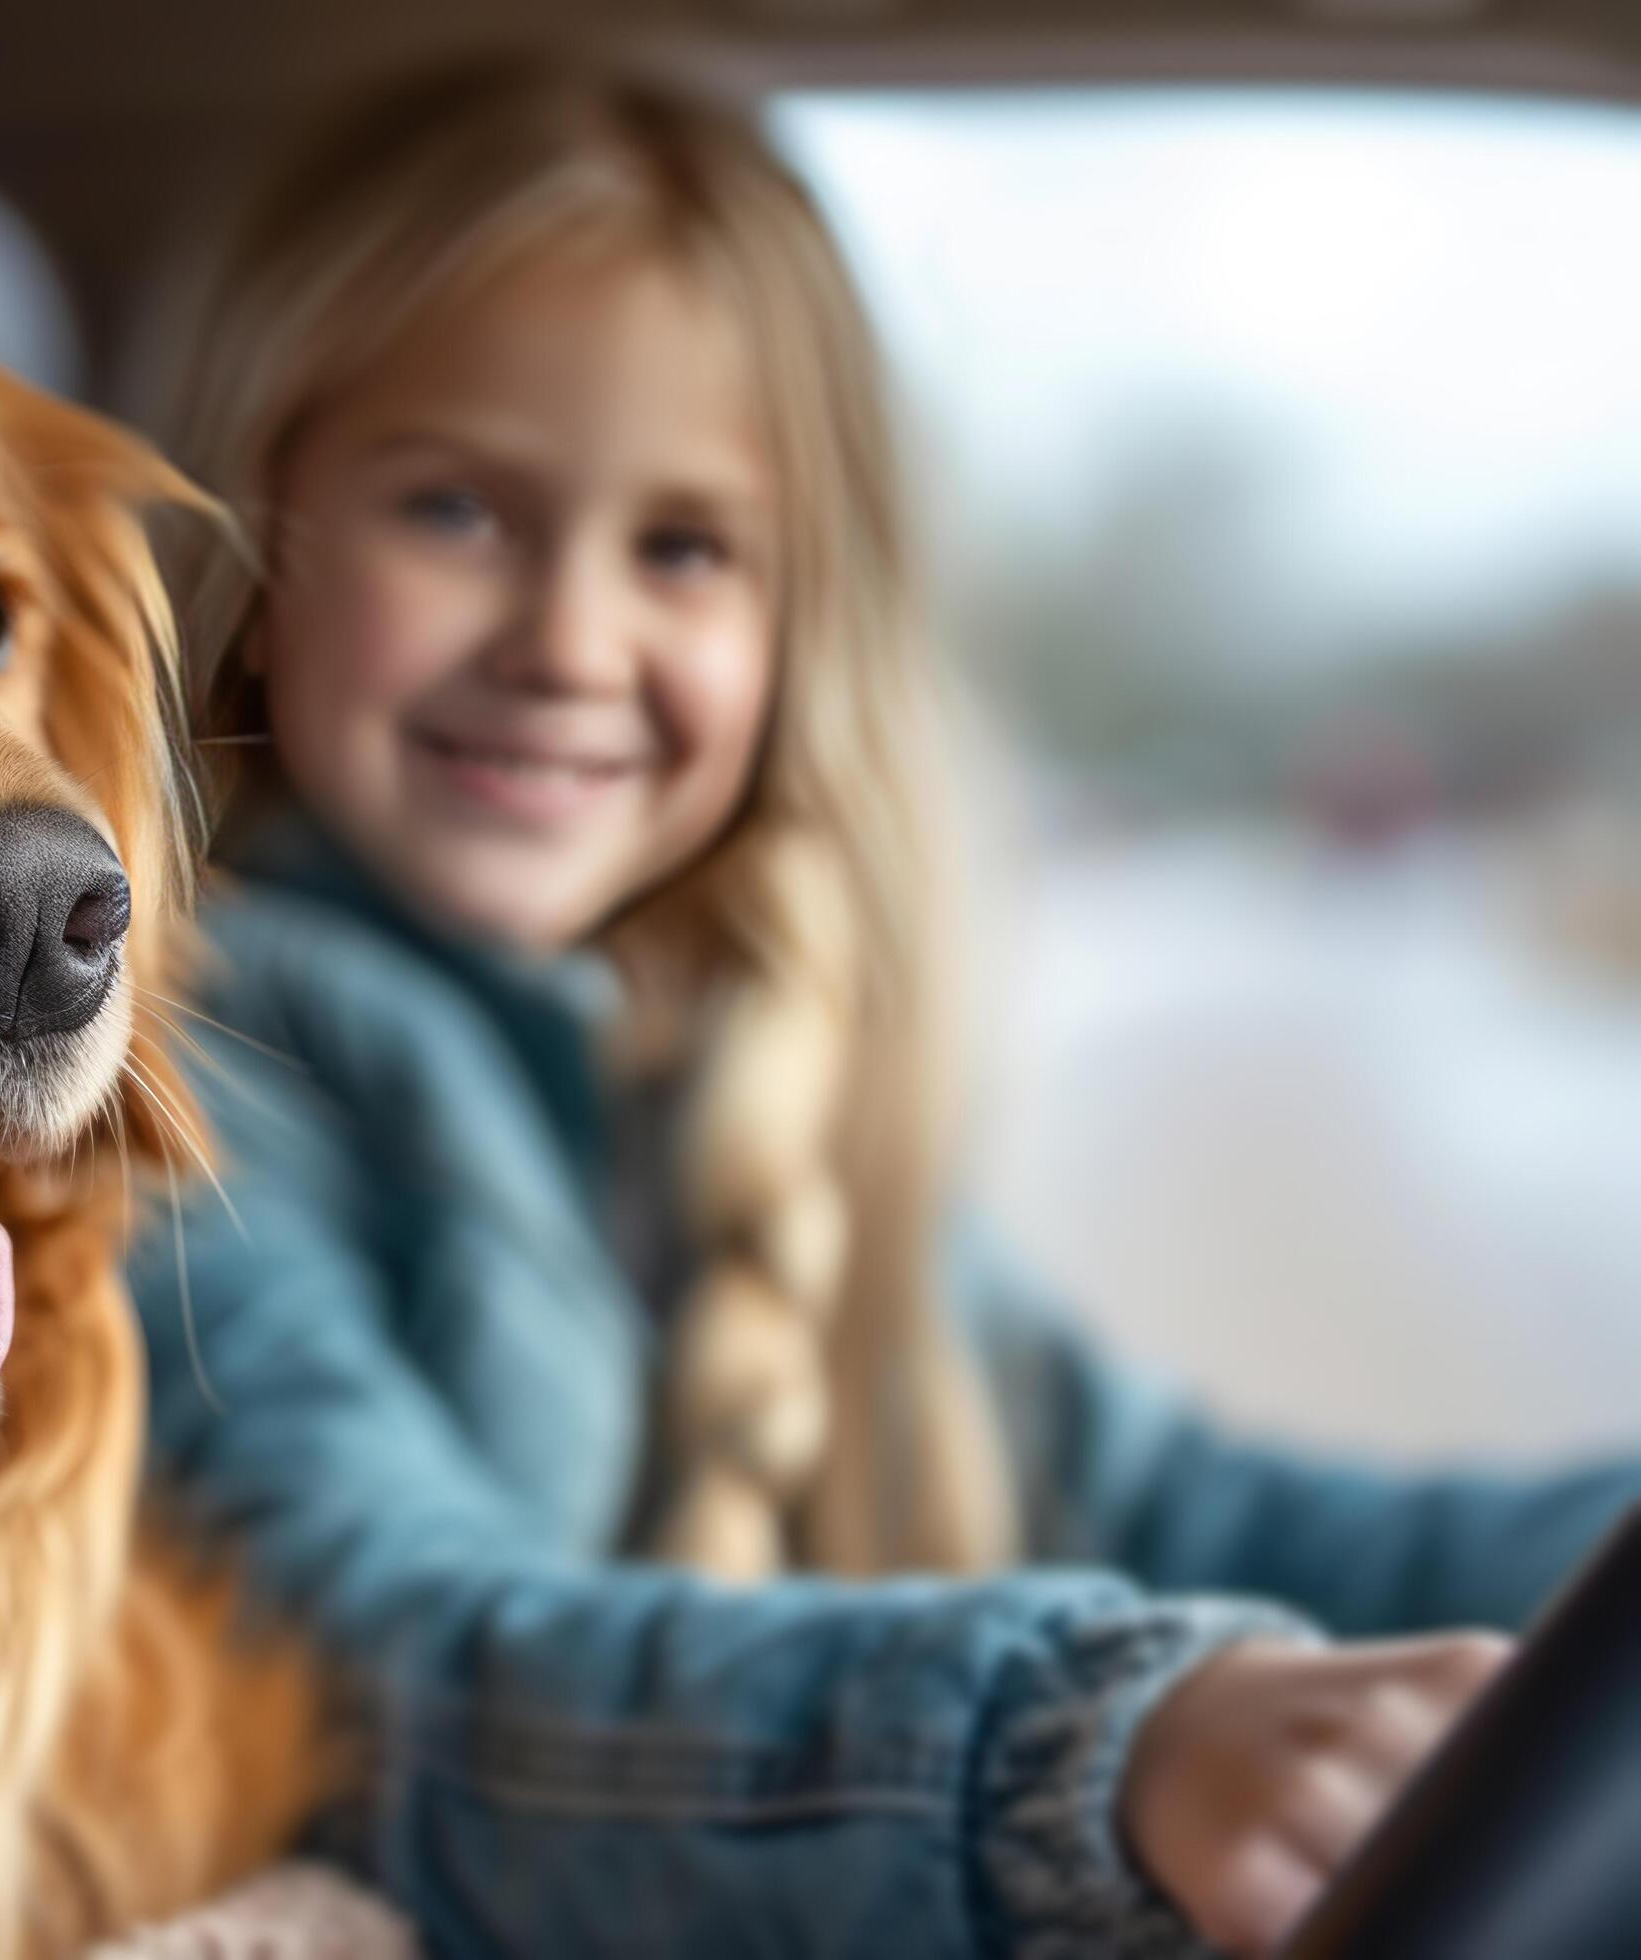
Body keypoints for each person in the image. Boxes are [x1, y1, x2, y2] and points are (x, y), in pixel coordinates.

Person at [123, 56, 1640, 1958]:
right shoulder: (193, 1065)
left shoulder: (738, 1082)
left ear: (802, 618)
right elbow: (379, 1675)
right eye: (455, 511)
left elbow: (1213, 1512)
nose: (574, 642)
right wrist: (1104, 1741)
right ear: (260, 537)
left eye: (684, 548)